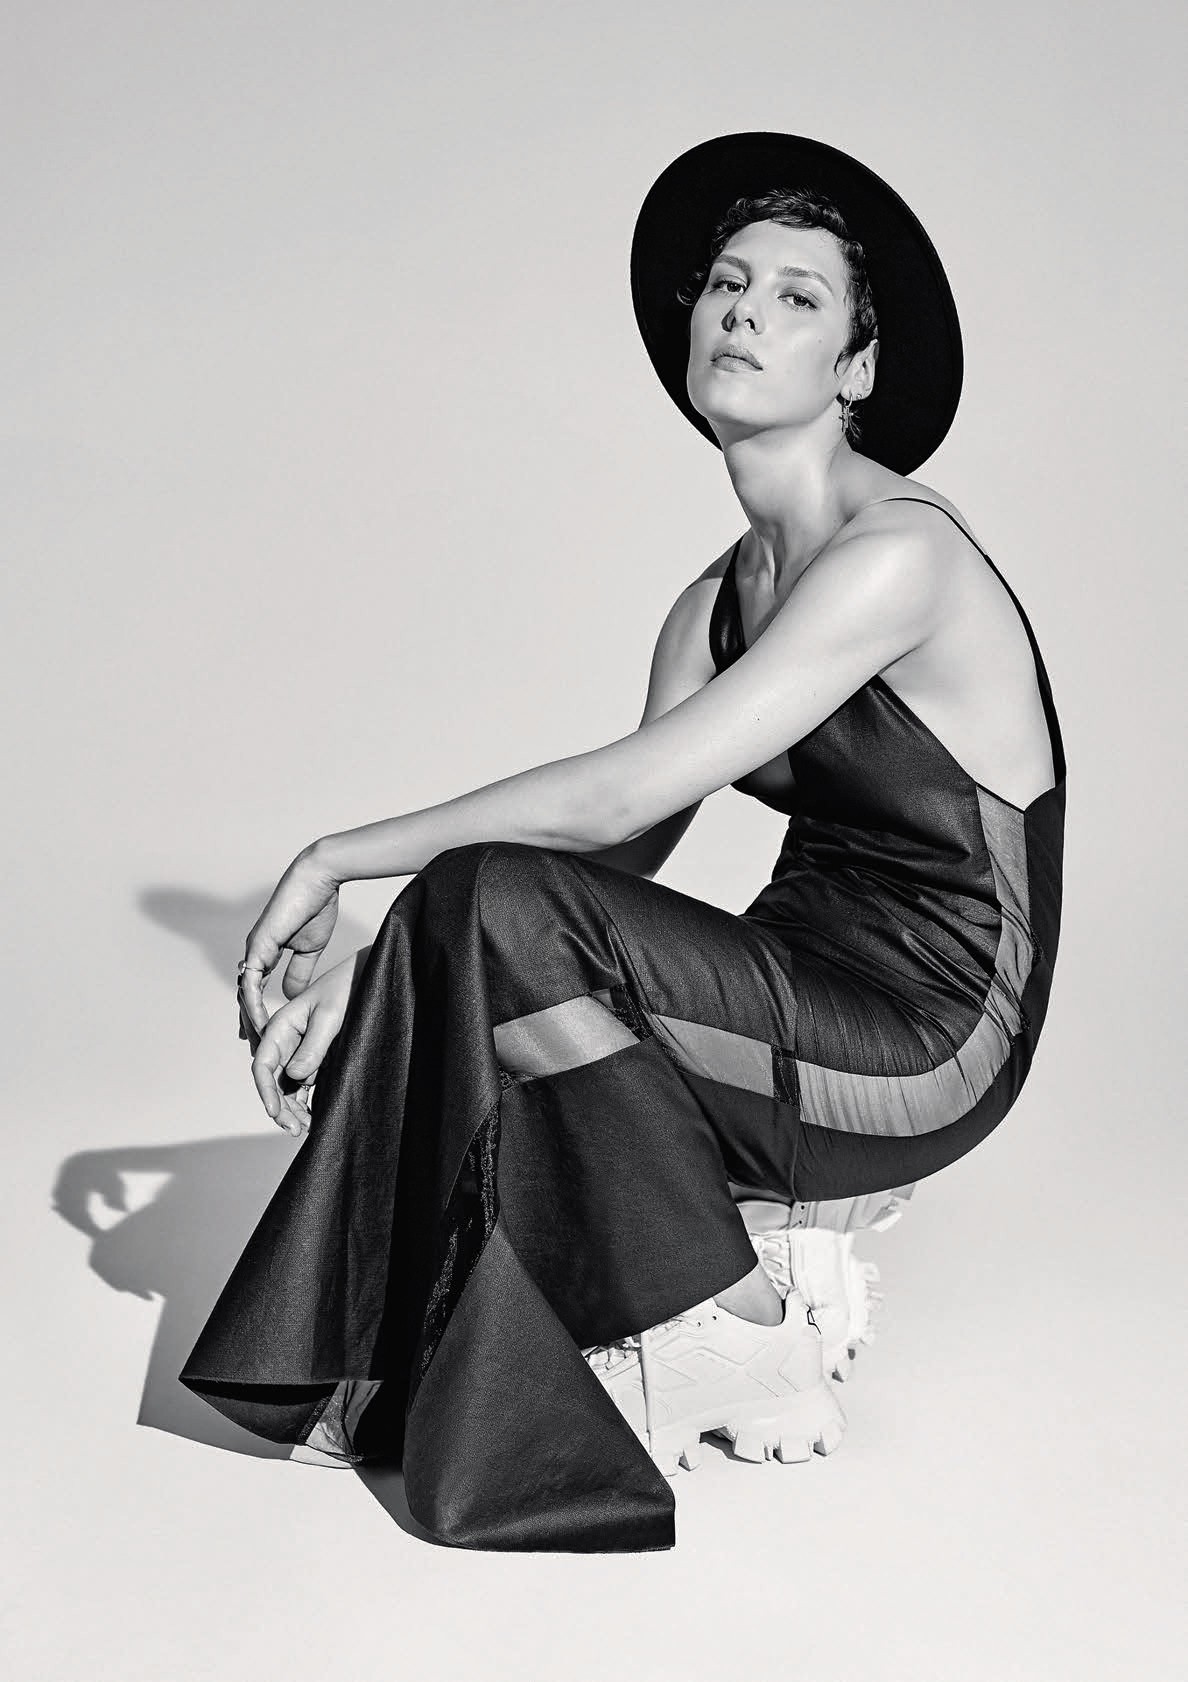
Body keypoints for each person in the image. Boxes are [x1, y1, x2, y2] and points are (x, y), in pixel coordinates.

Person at [180, 133, 1066, 1553]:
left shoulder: (904, 556)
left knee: (491, 910)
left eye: (797, 299)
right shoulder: (708, 607)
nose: (745, 313)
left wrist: (343, 857)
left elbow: (594, 810)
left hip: (933, 1036)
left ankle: (741, 1326)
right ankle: (743, 1258)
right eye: (728, 284)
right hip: (793, 982)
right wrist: (381, 981)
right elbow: (614, 865)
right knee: (488, 941)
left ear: (856, 368)